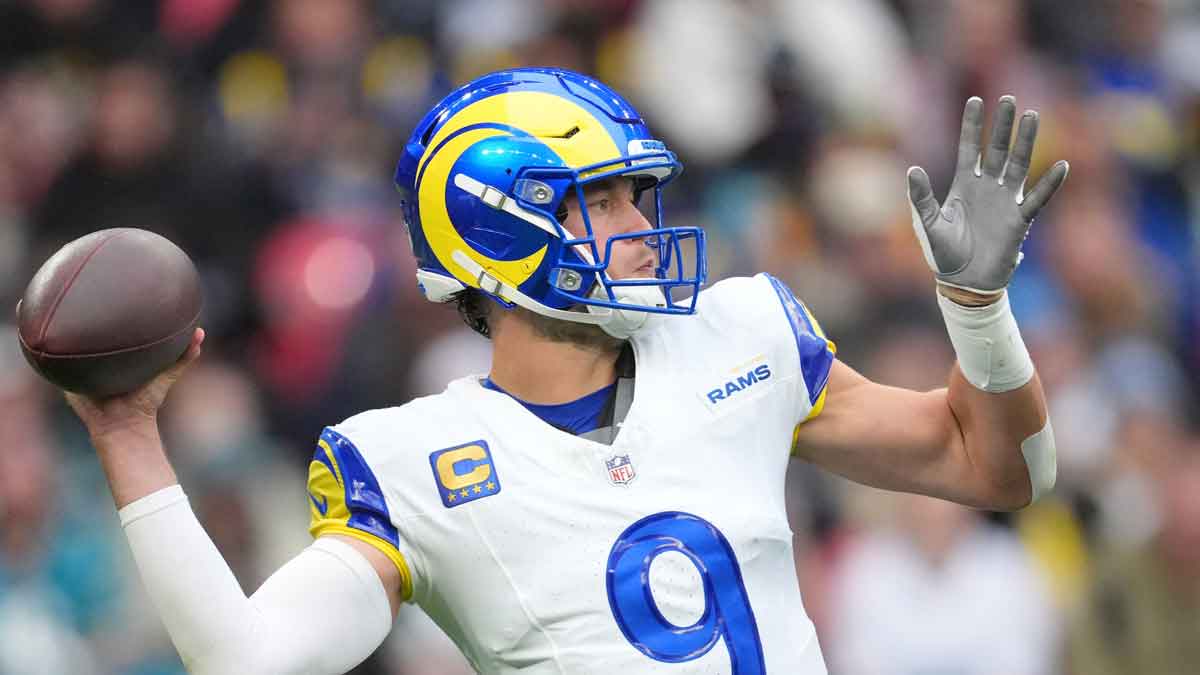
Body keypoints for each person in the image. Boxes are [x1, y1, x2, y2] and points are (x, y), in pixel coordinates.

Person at [64, 68, 1068, 673]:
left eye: (640, 198)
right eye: (607, 201)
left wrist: (977, 310)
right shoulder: (414, 463)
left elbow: (1000, 472)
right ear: (496, 224)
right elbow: (243, 660)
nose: (643, 230)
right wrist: (124, 432)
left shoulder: (741, 339)